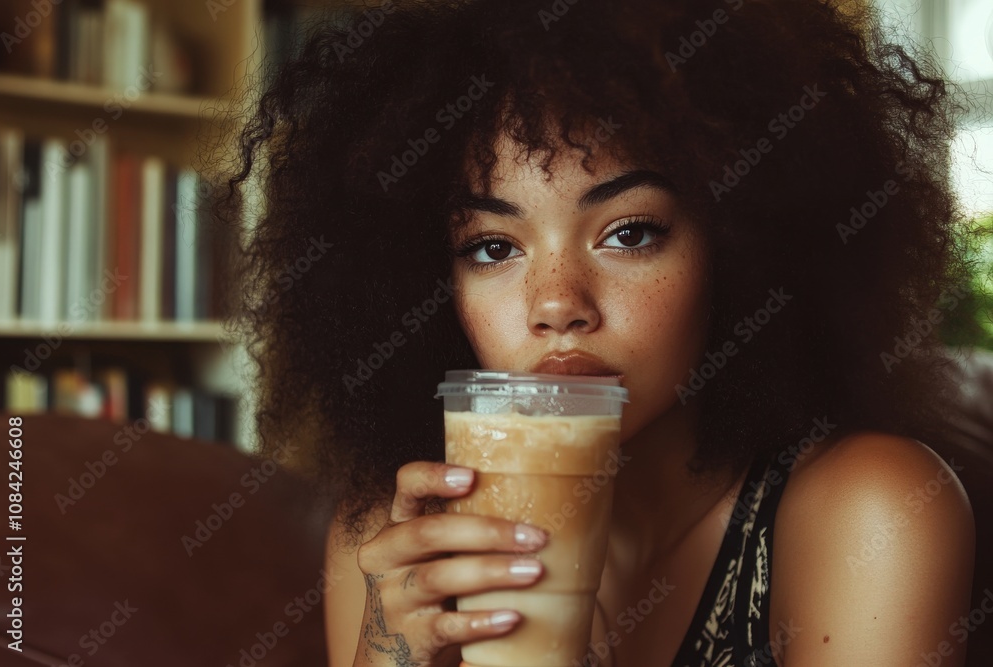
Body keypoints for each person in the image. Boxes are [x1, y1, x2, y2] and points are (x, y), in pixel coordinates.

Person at [214, 0, 991, 664]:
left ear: (740, 245)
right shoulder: (392, 542)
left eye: (630, 233)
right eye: (493, 247)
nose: (558, 303)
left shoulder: (875, 512)